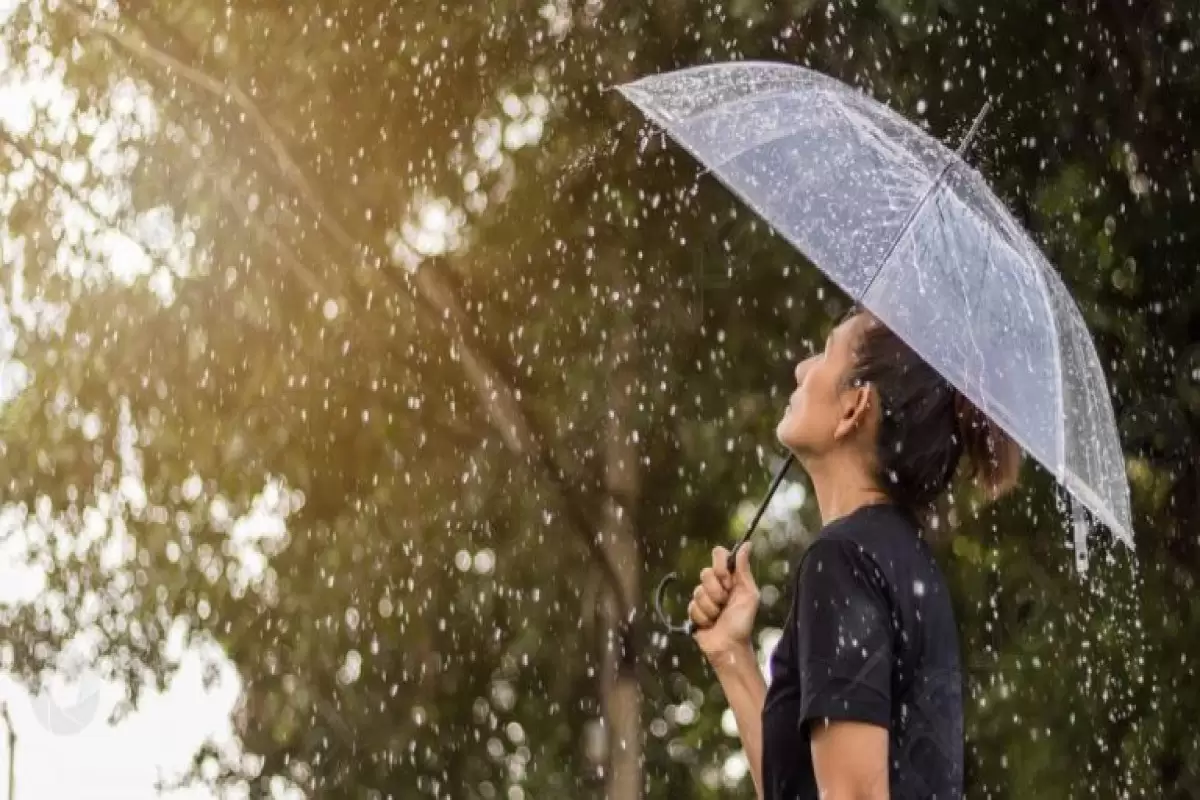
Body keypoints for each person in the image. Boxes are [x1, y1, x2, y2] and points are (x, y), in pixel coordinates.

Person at [687, 308, 1021, 800]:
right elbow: (799, 789)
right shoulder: (903, 561)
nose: (802, 368)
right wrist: (731, 653)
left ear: (854, 407)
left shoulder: (843, 561)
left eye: (825, 352)